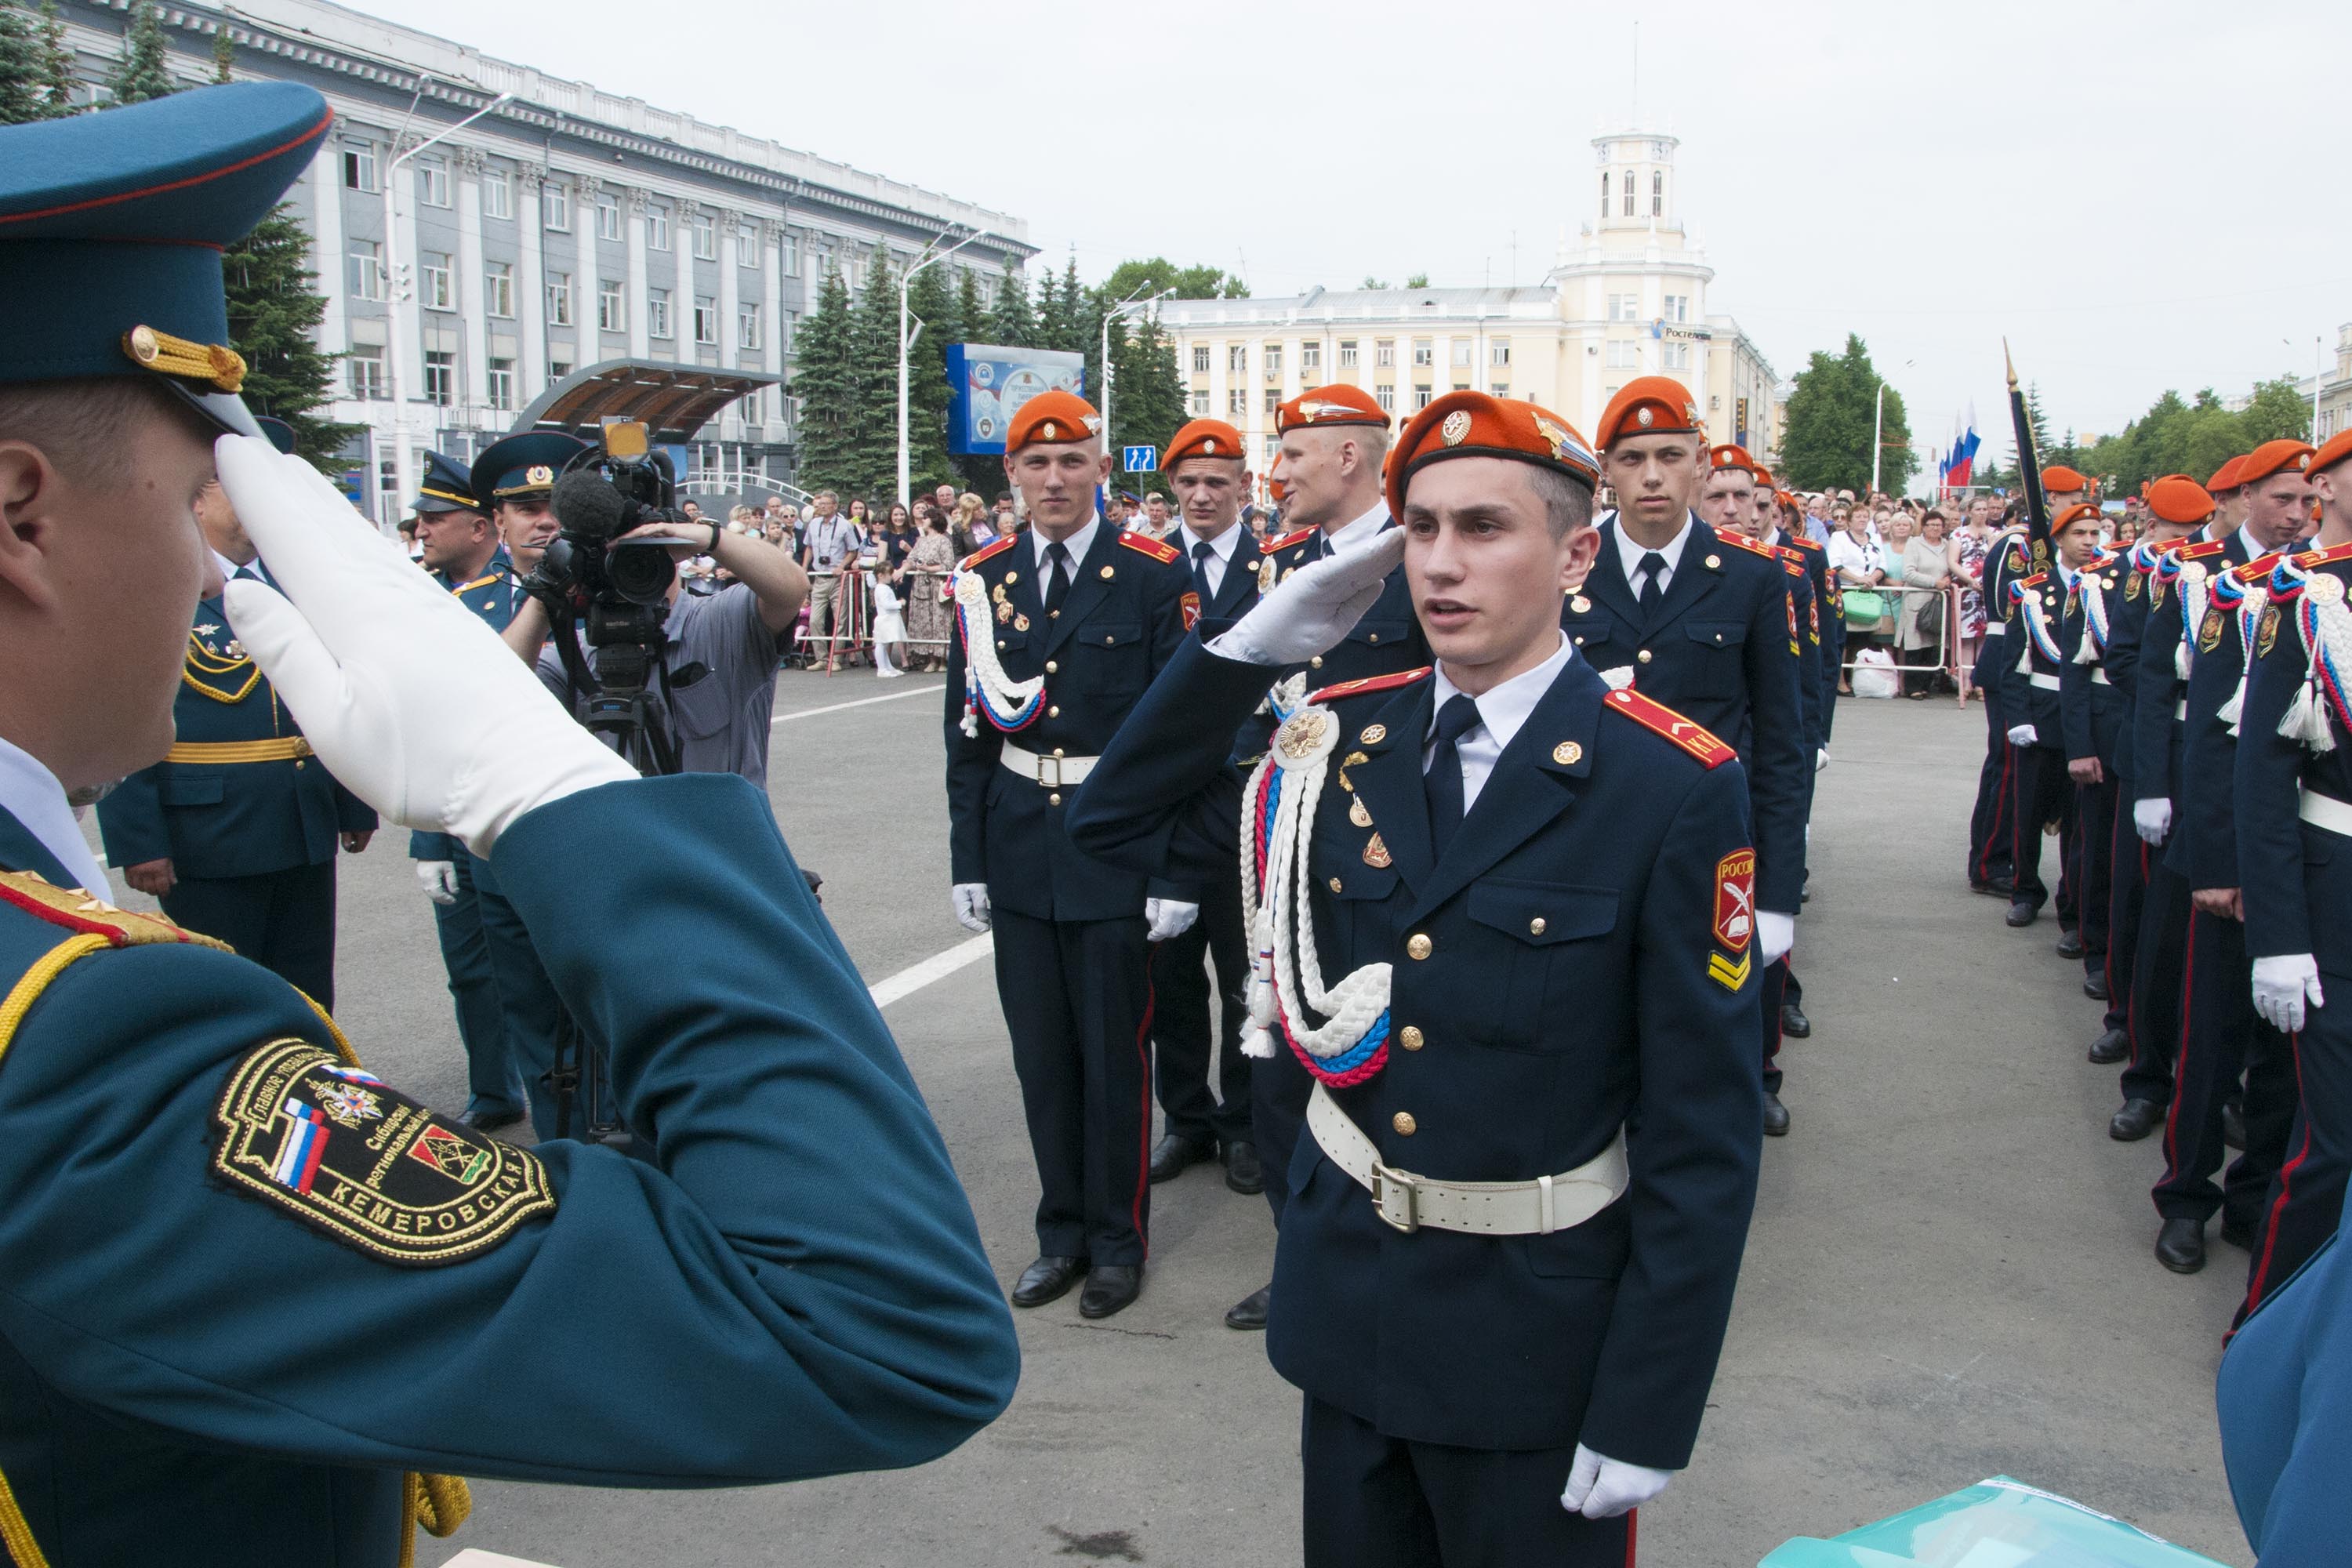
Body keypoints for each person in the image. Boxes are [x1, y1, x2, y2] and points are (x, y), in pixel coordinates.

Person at [0, 80, 1017, 1568]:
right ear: (22, 519)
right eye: (183, 514)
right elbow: (875, 1327)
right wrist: (552, 795)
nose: (207, 580)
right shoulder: (75, 1050)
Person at [1069, 390, 1762, 1567]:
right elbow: (1106, 823)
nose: (1441, 565)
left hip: (1536, 1341)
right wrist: (1247, 648)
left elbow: (1703, 1131)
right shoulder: (1334, 742)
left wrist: (1651, 1400)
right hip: (1351, 1313)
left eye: (1484, 528)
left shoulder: (1670, 785)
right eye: (1422, 529)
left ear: (1576, 554)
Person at [941, 390, 1196, 1322]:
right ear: (1010, 473)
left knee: (1113, 1055)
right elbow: (966, 732)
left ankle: (1119, 1241)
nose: (1055, 478)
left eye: (1073, 460)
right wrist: (968, 856)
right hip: (1017, 842)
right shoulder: (982, 576)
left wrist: (1174, 870)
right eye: (1036, 463)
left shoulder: (1152, 574)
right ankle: (1062, 1235)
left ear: (1101, 468)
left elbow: (1181, 738)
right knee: (1042, 1057)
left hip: (1114, 846)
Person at [1225, 381, 1427, 1328]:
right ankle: (1298, 1255)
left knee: (1383, 1076)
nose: (1276, 472)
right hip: (1286, 865)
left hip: (1391, 873)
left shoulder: (1419, 558)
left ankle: (1389, 1266)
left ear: (1349, 456)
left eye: (1293, 454)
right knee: (1280, 1077)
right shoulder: (1275, 565)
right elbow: (1236, 696)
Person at [1567, 380, 1805, 1135]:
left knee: (1709, 1016)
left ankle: (1732, 1099)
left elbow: (1780, 747)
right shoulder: (1568, 565)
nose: (1652, 476)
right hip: (1591, 837)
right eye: (1632, 458)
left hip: (1710, 846)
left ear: (1700, 465)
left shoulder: (1753, 577)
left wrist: (1778, 892)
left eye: (1671, 456)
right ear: (1606, 468)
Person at [96, 414, 377, 1008]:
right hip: (209, 833)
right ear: (199, 496)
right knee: (230, 992)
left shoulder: (297, 585)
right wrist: (138, 839)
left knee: (307, 988)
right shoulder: (161, 586)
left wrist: (354, 799)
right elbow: (125, 711)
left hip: (302, 820)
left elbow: (337, 690)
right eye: (239, 484)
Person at [2147, 439, 2314, 1276]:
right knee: (2209, 1042)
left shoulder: (2317, 584)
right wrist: (2217, 862)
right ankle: (2187, 1195)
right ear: (2248, 496)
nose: (2296, 515)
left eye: (2305, 501)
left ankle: (2255, 1199)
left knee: (2284, 1056)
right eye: (2284, 499)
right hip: (2225, 853)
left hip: (2303, 855)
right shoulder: (2233, 591)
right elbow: (2217, 738)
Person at [2235, 428, 2352, 1323]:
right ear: (2329, 489)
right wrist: (2278, 937)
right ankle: (2270, 1329)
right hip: (2335, 897)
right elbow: (2263, 775)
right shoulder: (2307, 602)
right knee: (2336, 1141)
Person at [396, 444, 546, 1131]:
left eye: (435, 517)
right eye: (528, 508)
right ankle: (495, 1086)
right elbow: (433, 725)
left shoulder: (584, 591)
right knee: (477, 965)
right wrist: (430, 835)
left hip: (546, 810)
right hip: (466, 818)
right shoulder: (452, 604)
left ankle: (570, 1094)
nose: (422, 530)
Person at [1145, 419, 1266, 1221]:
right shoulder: (1147, 569)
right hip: (1168, 800)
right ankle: (1187, 1114)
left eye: (1217, 480)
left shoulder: (1276, 567)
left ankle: (1245, 1121)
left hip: (1251, 794)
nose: (1201, 495)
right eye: (1189, 482)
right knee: (1170, 973)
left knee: (1249, 970)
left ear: (1244, 488)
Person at [798, 489, 862, 657]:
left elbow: (853, 550)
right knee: (814, 619)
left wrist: (842, 565)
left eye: (826, 504)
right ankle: (822, 657)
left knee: (839, 619)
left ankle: (837, 657)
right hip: (820, 577)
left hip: (838, 578)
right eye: (820, 504)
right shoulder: (813, 524)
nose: (823, 507)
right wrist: (804, 568)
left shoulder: (844, 525)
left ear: (835, 506)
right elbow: (809, 547)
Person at [1898, 510, 1954, 698]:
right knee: (1915, 646)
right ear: (1924, 527)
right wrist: (1933, 582)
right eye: (1931, 525)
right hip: (1917, 599)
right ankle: (1912, 687)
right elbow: (1908, 573)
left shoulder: (1947, 545)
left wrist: (1947, 578)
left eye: (1939, 525)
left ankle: (1926, 685)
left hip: (1938, 602)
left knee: (1933, 645)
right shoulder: (1914, 544)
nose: (1935, 529)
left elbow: (1952, 566)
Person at [903, 510, 959, 671]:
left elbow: (948, 564)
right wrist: (902, 570)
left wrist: (928, 568)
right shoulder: (921, 541)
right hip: (921, 585)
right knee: (925, 621)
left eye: (926, 517)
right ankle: (931, 659)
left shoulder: (943, 541)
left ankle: (943, 659)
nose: (923, 519)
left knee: (939, 621)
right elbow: (912, 559)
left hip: (937, 584)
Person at [1949, 496, 1994, 693]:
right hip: (1967, 589)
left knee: (1985, 637)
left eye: (1985, 509)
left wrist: (1986, 580)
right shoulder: (1959, 534)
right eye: (1978, 509)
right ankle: (1965, 681)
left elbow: (1994, 559)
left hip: (1987, 589)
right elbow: (1953, 561)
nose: (1982, 512)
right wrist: (1969, 580)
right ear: (1969, 511)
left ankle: (1980, 683)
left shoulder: (1995, 533)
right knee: (1967, 637)